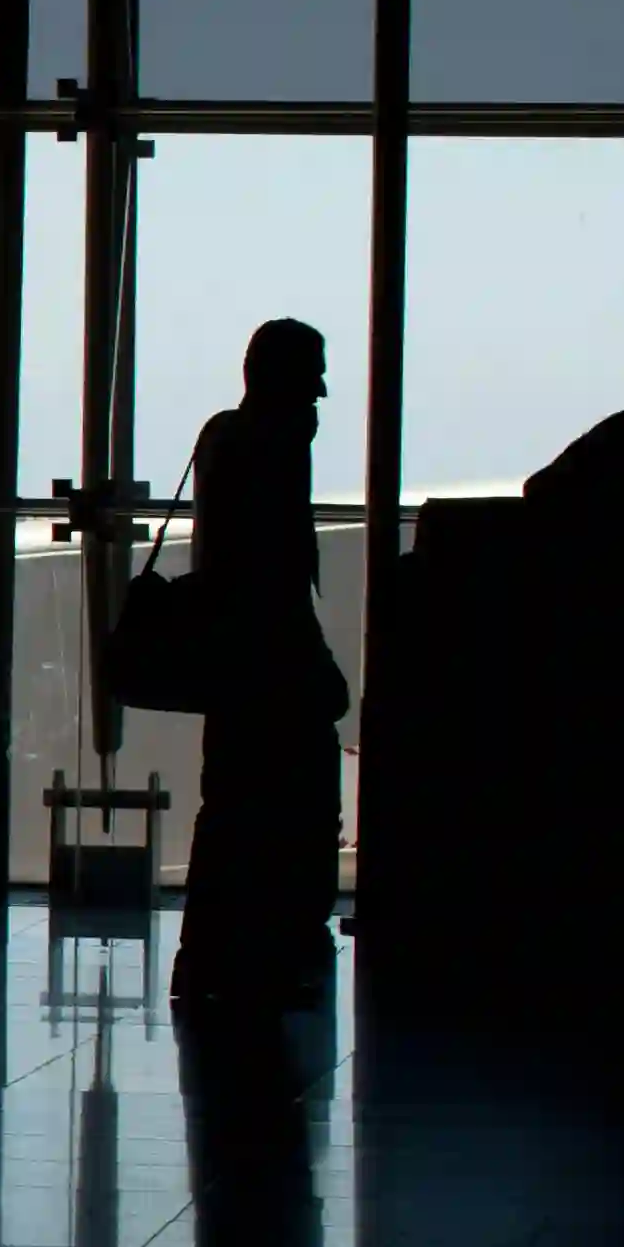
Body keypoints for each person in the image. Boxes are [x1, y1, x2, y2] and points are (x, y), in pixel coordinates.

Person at [171, 316, 350, 1016]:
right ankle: (281, 952)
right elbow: (275, 575)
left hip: (237, 665)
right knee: (296, 810)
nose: (321, 394)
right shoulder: (274, 447)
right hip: (272, 662)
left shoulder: (226, 439)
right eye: (312, 375)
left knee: (232, 811)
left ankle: (215, 954)